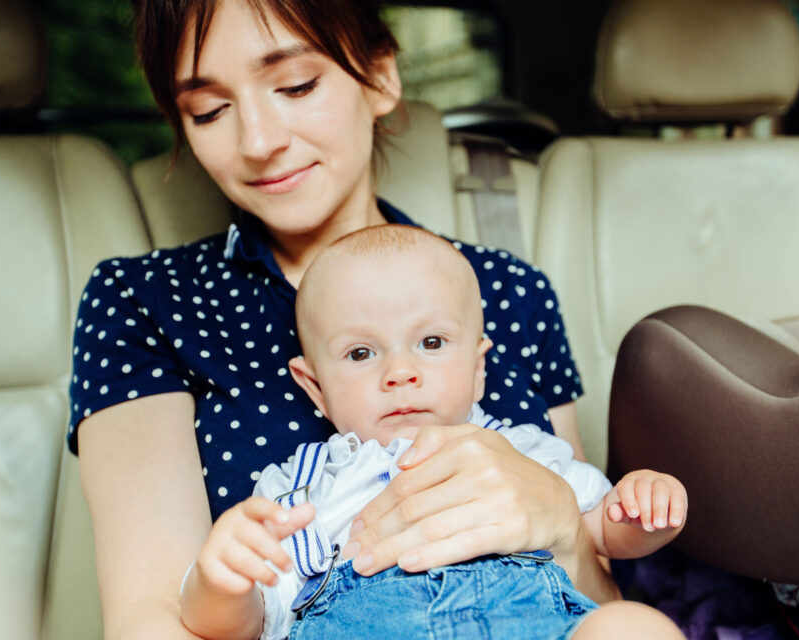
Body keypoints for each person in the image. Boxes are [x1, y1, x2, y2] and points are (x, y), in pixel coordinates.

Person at [70, 0, 629, 638]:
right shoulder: (144, 302)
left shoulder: (508, 290)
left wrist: (561, 522)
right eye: (209, 110)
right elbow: (151, 620)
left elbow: (598, 603)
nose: (258, 141)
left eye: (296, 85)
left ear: (380, 76)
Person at [179, 224, 688, 639]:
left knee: (636, 627)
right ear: (315, 388)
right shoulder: (297, 490)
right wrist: (222, 583)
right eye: (361, 353)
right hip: (365, 626)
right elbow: (248, 623)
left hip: (532, 622)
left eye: (431, 341)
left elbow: (600, 532)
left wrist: (643, 510)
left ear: (478, 369)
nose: (401, 372)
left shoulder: (522, 452)